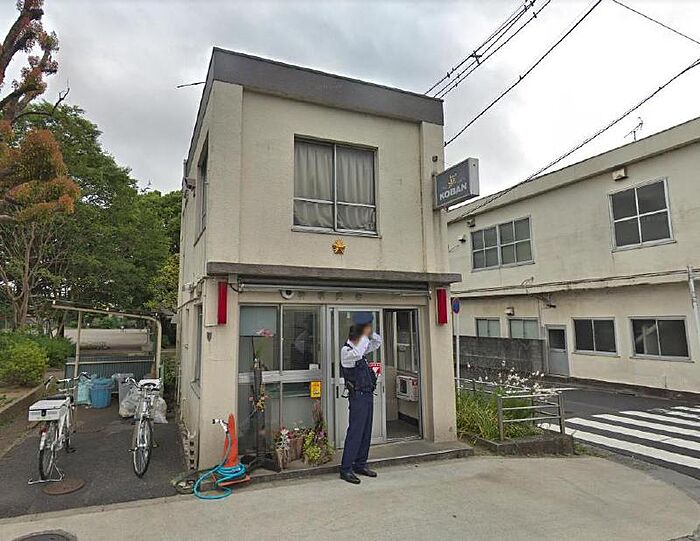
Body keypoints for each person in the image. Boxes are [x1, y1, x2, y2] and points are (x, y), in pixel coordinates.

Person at [339, 312, 381, 484]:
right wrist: (364, 335)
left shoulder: (361, 348)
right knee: (355, 432)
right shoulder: (347, 351)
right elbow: (358, 352)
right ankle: (346, 468)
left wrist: (370, 332)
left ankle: (360, 464)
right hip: (357, 397)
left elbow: (377, 343)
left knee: (366, 432)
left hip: (367, 394)